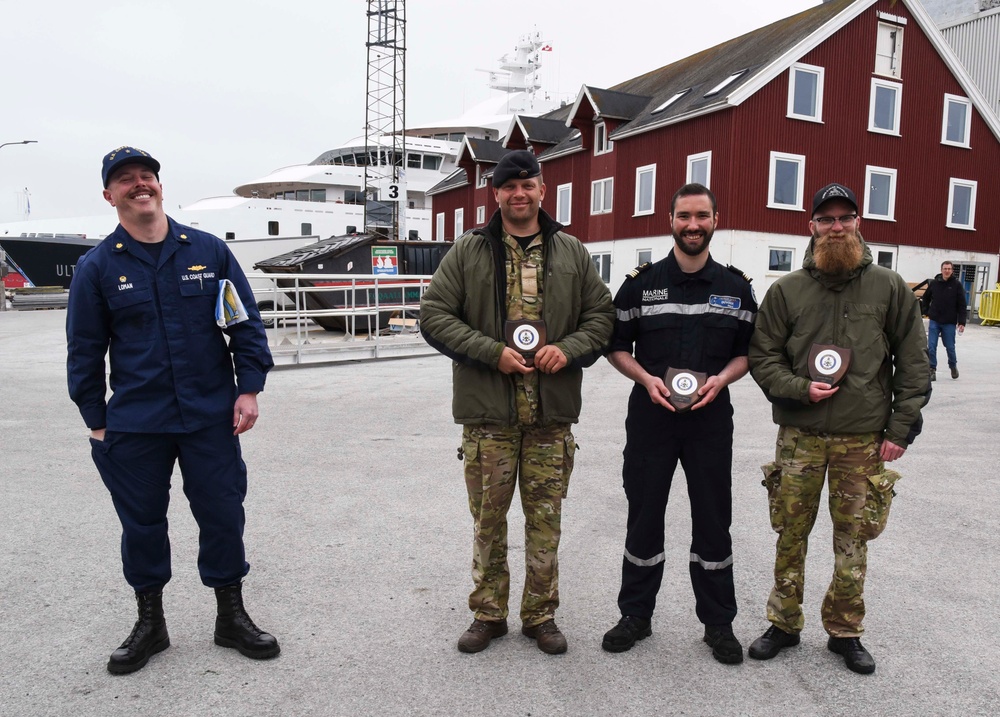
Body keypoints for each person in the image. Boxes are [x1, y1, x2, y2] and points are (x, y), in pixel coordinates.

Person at [67, 147, 279, 674]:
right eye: (125, 180)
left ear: (159, 186)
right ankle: (151, 624)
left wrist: (248, 387)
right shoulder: (97, 268)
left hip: (210, 415)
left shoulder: (208, 251)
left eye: (147, 177)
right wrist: (96, 419)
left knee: (223, 514)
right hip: (135, 422)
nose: (139, 185)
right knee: (140, 524)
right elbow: (85, 350)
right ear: (109, 195)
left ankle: (230, 616)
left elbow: (243, 324)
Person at [419, 150, 614, 655]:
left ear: (543, 190)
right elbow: (435, 315)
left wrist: (566, 349)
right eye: (510, 186)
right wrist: (493, 353)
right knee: (488, 522)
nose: (520, 194)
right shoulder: (468, 251)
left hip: (550, 419)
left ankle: (540, 615)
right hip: (489, 418)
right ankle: (488, 614)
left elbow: (602, 318)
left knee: (546, 521)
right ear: (497, 193)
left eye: (529, 185)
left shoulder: (571, 251)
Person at [747, 182, 929, 675]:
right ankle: (783, 624)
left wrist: (900, 429)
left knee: (853, 538)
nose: (835, 227)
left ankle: (845, 631)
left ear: (857, 223)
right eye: (825, 219)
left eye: (843, 218)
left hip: (862, 437)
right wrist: (798, 387)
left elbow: (914, 362)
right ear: (811, 226)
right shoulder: (786, 290)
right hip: (799, 436)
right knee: (790, 533)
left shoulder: (889, 287)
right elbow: (762, 357)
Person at [601, 183, 756, 664]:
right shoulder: (639, 284)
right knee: (644, 515)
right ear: (670, 219)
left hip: (711, 421)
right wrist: (646, 378)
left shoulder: (735, 286)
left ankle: (718, 623)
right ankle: (635, 616)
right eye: (684, 215)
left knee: (713, 519)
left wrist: (723, 380)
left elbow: (749, 352)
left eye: (702, 216)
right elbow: (615, 345)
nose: (693, 224)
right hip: (652, 417)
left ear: (716, 219)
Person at [921, 260, 966, 380]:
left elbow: (962, 304)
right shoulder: (934, 284)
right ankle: (932, 369)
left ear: (952, 271)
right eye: (945, 269)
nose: (947, 271)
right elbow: (925, 298)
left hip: (949, 322)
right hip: (935, 320)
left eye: (949, 269)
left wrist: (961, 322)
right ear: (941, 270)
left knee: (950, 347)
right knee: (931, 346)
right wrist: (927, 312)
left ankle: (953, 366)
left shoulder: (957, 285)